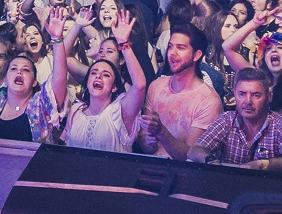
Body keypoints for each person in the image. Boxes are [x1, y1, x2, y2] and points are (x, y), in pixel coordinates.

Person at [51, 11, 146, 152]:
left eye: (106, 75)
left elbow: (140, 85)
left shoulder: (119, 110)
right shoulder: (76, 110)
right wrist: (60, 36)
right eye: (94, 73)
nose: (98, 77)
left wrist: (124, 43)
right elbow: (63, 60)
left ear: (114, 87)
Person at [188, 68, 282, 169]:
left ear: (269, 96)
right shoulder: (227, 120)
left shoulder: (280, 124)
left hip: (265, 192)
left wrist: (264, 164)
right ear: (235, 94)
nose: (248, 101)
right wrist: (212, 162)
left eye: (256, 95)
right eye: (242, 94)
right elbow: (195, 150)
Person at [137, 23, 223, 159]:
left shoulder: (208, 101)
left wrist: (161, 132)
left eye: (181, 48)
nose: (172, 53)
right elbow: (144, 144)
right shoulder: (156, 86)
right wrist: (149, 141)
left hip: (183, 176)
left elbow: (191, 157)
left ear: (196, 55)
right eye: (170, 46)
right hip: (150, 168)